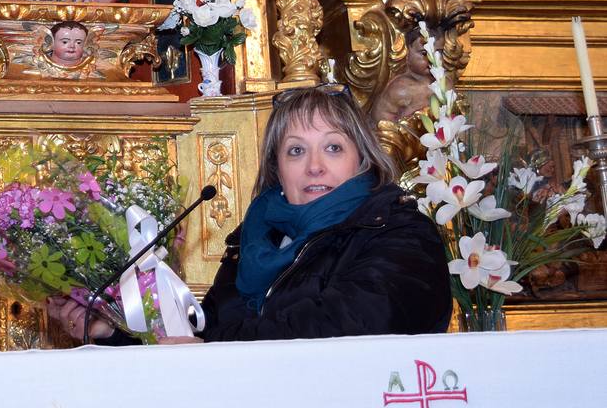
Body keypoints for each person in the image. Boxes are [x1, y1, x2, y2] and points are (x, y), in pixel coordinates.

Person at [49, 85, 451, 342]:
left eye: (333, 148)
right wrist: (111, 331)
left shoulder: (397, 229)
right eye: (296, 150)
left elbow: (348, 321)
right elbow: (204, 330)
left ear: (362, 159)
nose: (314, 166)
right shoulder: (256, 241)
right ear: (277, 168)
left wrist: (209, 350)